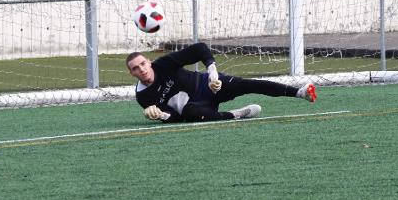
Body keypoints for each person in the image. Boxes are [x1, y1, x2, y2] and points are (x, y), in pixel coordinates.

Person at [126, 42, 316, 123]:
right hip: (197, 107)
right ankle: (236, 114)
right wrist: (161, 115)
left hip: (209, 86)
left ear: (149, 62)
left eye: (143, 64)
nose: (141, 69)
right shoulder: (143, 96)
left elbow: (199, 48)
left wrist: (212, 73)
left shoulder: (163, 65)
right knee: (190, 114)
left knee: (247, 84)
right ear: (131, 73)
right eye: (135, 68)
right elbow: (175, 117)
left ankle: (299, 92)